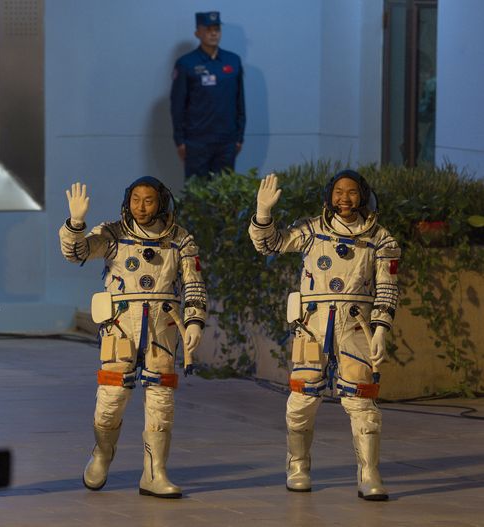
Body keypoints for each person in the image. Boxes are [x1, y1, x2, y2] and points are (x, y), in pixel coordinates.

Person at [249, 171, 400, 501]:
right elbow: (269, 244)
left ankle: (369, 473)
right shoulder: (311, 230)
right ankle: (298, 466)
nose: (344, 198)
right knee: (302, 398)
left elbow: (388, 289)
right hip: (313, 325)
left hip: (356, 325)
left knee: (362, 401)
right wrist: (263, 213)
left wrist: (381, 328)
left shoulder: (382, 239)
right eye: (338, 192)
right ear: (328, 196)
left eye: (352, 192)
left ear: (364, 196)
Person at [59, 177, 207, 498]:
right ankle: (102, 453)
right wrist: (76, 222)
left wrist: (194, 321)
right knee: (111, 401)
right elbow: (77, 252)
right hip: (120, 327)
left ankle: (155, 473)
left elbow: (194, 283)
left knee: (161, 402)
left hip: (162, 329)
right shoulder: (113, 234)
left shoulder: (180, 240)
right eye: (136, 200)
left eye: (149, 200)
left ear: (161, 202)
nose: (141, 207)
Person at [170, 10, 246, 179]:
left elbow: (240, 101)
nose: (213, 33)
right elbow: (177, 105)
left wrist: (239, 137)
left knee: (225, 197)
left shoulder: (233, 61)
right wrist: (180, 140)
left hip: (226, 141)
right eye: (208, 29)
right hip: (197, 143)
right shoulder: (186, 64)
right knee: (196, 197)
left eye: (217, 29)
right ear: (198, 32)